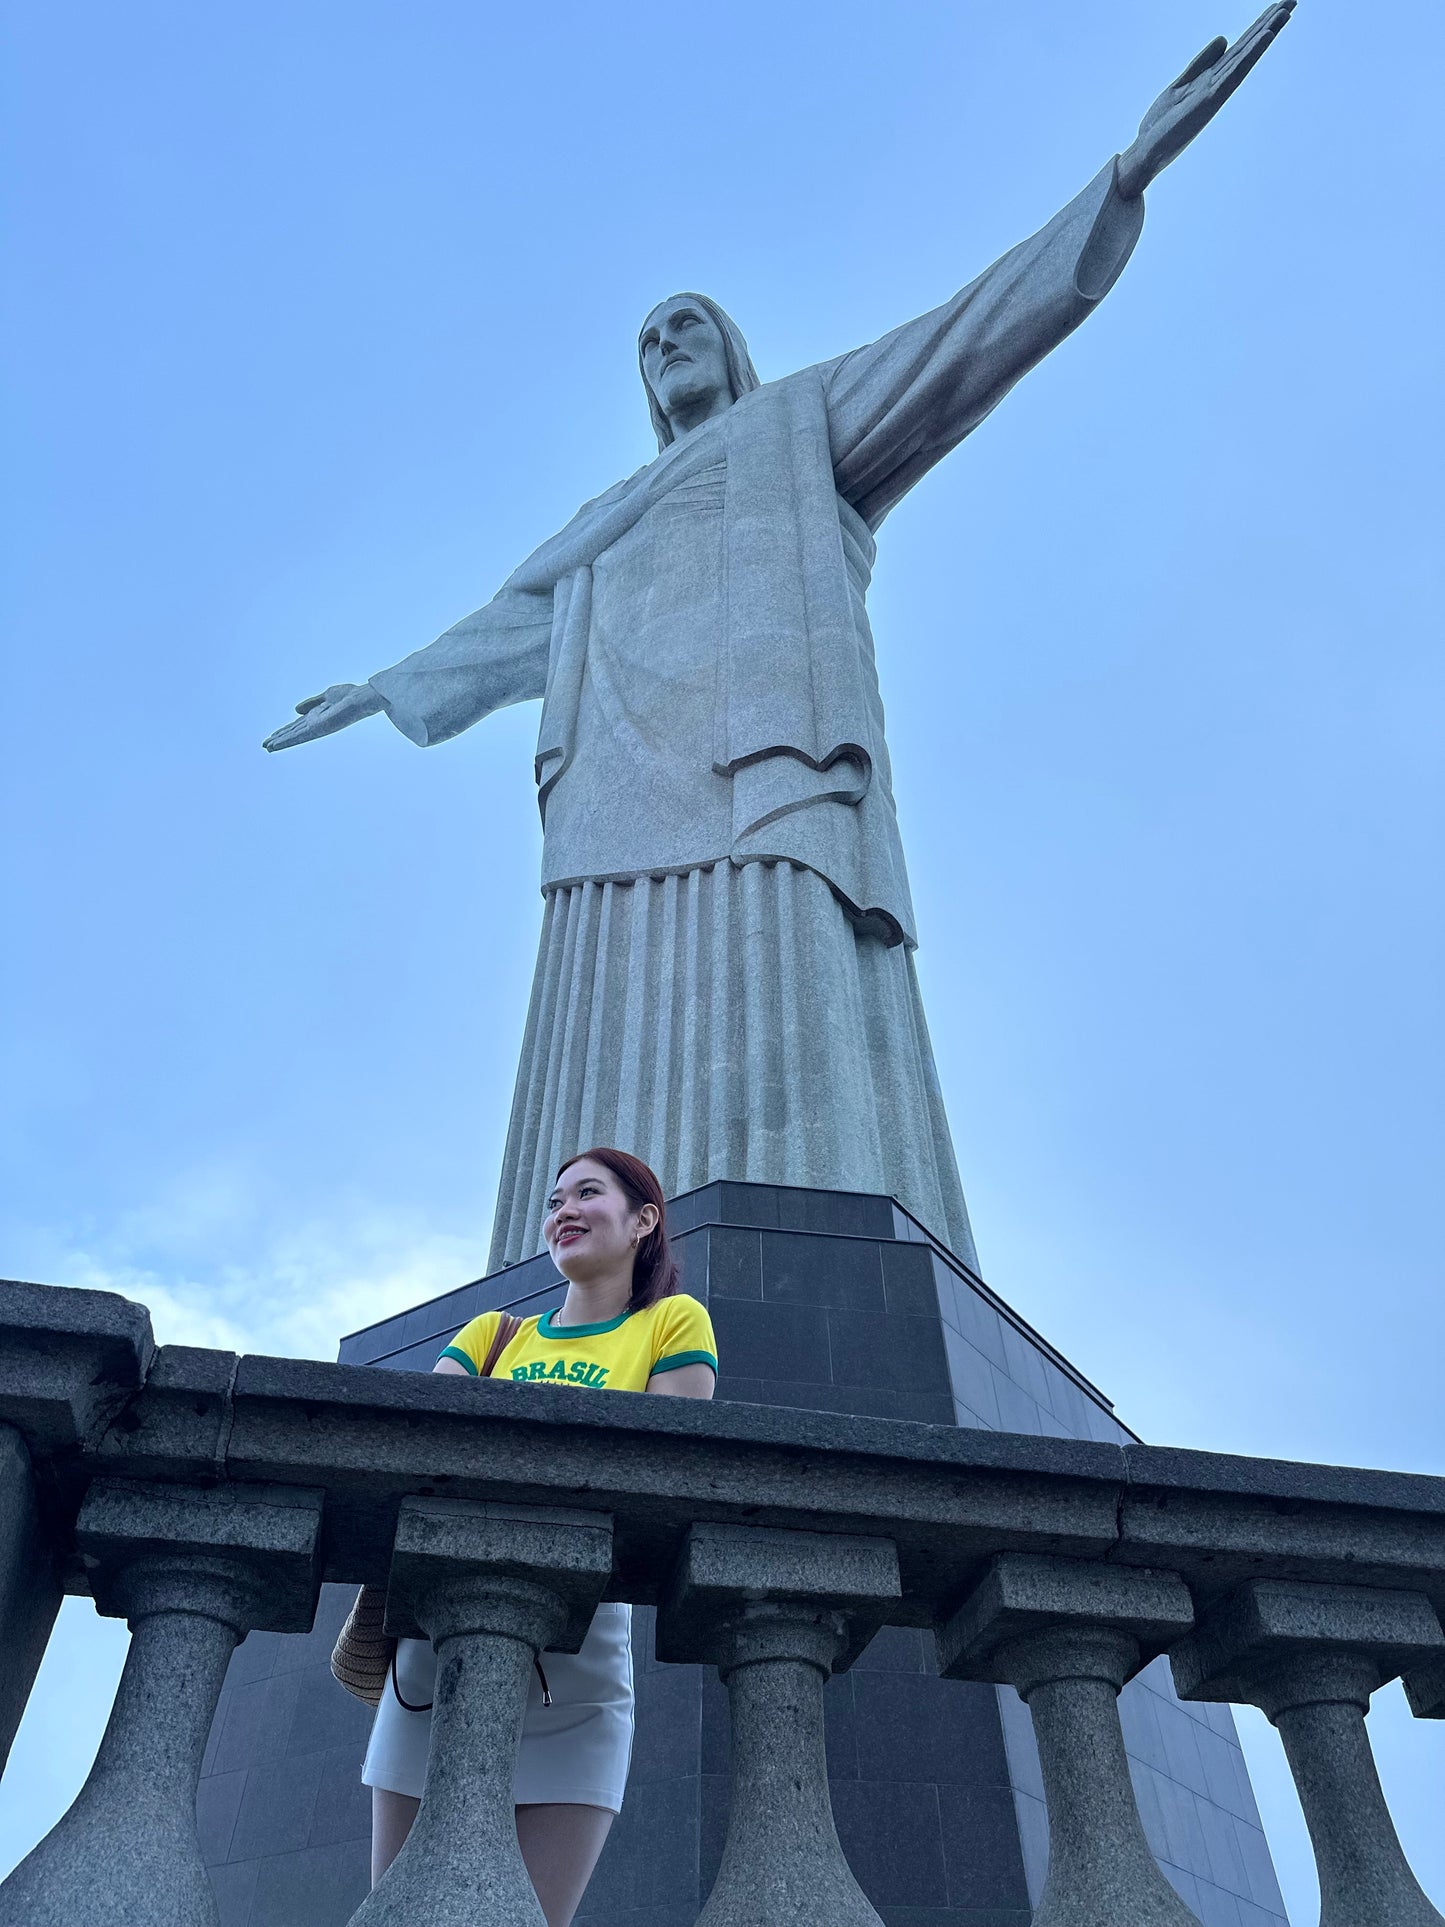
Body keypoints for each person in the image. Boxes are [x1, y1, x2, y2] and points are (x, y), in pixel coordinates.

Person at [264, 9, 1298, 1281]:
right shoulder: (601, 522)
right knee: (606, 1020)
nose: (664, 346)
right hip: (610, 807)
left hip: (767, 761)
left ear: (732, 350)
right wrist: (378, 691)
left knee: (781, 996)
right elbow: (507, 623)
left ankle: (794, 1253)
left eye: (685, 325)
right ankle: (588, 1294)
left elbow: (967, 337)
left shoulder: (798, 423)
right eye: (647, 341)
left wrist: (1124, 175)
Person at [361, 1148, 717, 1927]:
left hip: (580, 1663)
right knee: (397, 1912)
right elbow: (416, 1447)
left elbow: (668, 1471)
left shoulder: (671, 1321)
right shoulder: (491, 1334)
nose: (563, 1209)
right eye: (555, 1198)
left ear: (644, 1220)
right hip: (441, 1649)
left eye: (588, 1192)